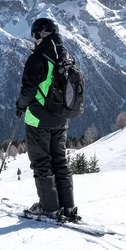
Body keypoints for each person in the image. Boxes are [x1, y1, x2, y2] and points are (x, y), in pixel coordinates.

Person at [15, 17, 78, 221]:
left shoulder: (37, 58)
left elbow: (28, 89)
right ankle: (68, 207)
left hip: (38, 120)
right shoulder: (66, 55)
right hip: (61, 119)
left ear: (43, 34)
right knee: (60, 162)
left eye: (35, 35)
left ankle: (49, 208)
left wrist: (20, 106)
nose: (33, 39)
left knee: (42, 164)